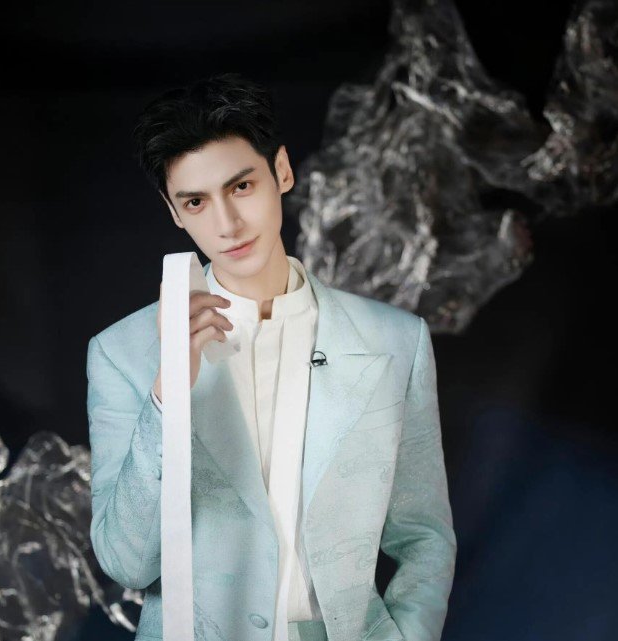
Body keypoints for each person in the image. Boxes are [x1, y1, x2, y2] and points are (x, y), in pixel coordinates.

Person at [86, 72, 456, 641]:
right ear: (174, 211)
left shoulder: (395, 341)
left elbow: (425, 536)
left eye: (241, 186)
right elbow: (126, 563)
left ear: (281, 171)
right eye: (195, 201)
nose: (227, 224)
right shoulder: (121, 353)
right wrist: (167, 395)